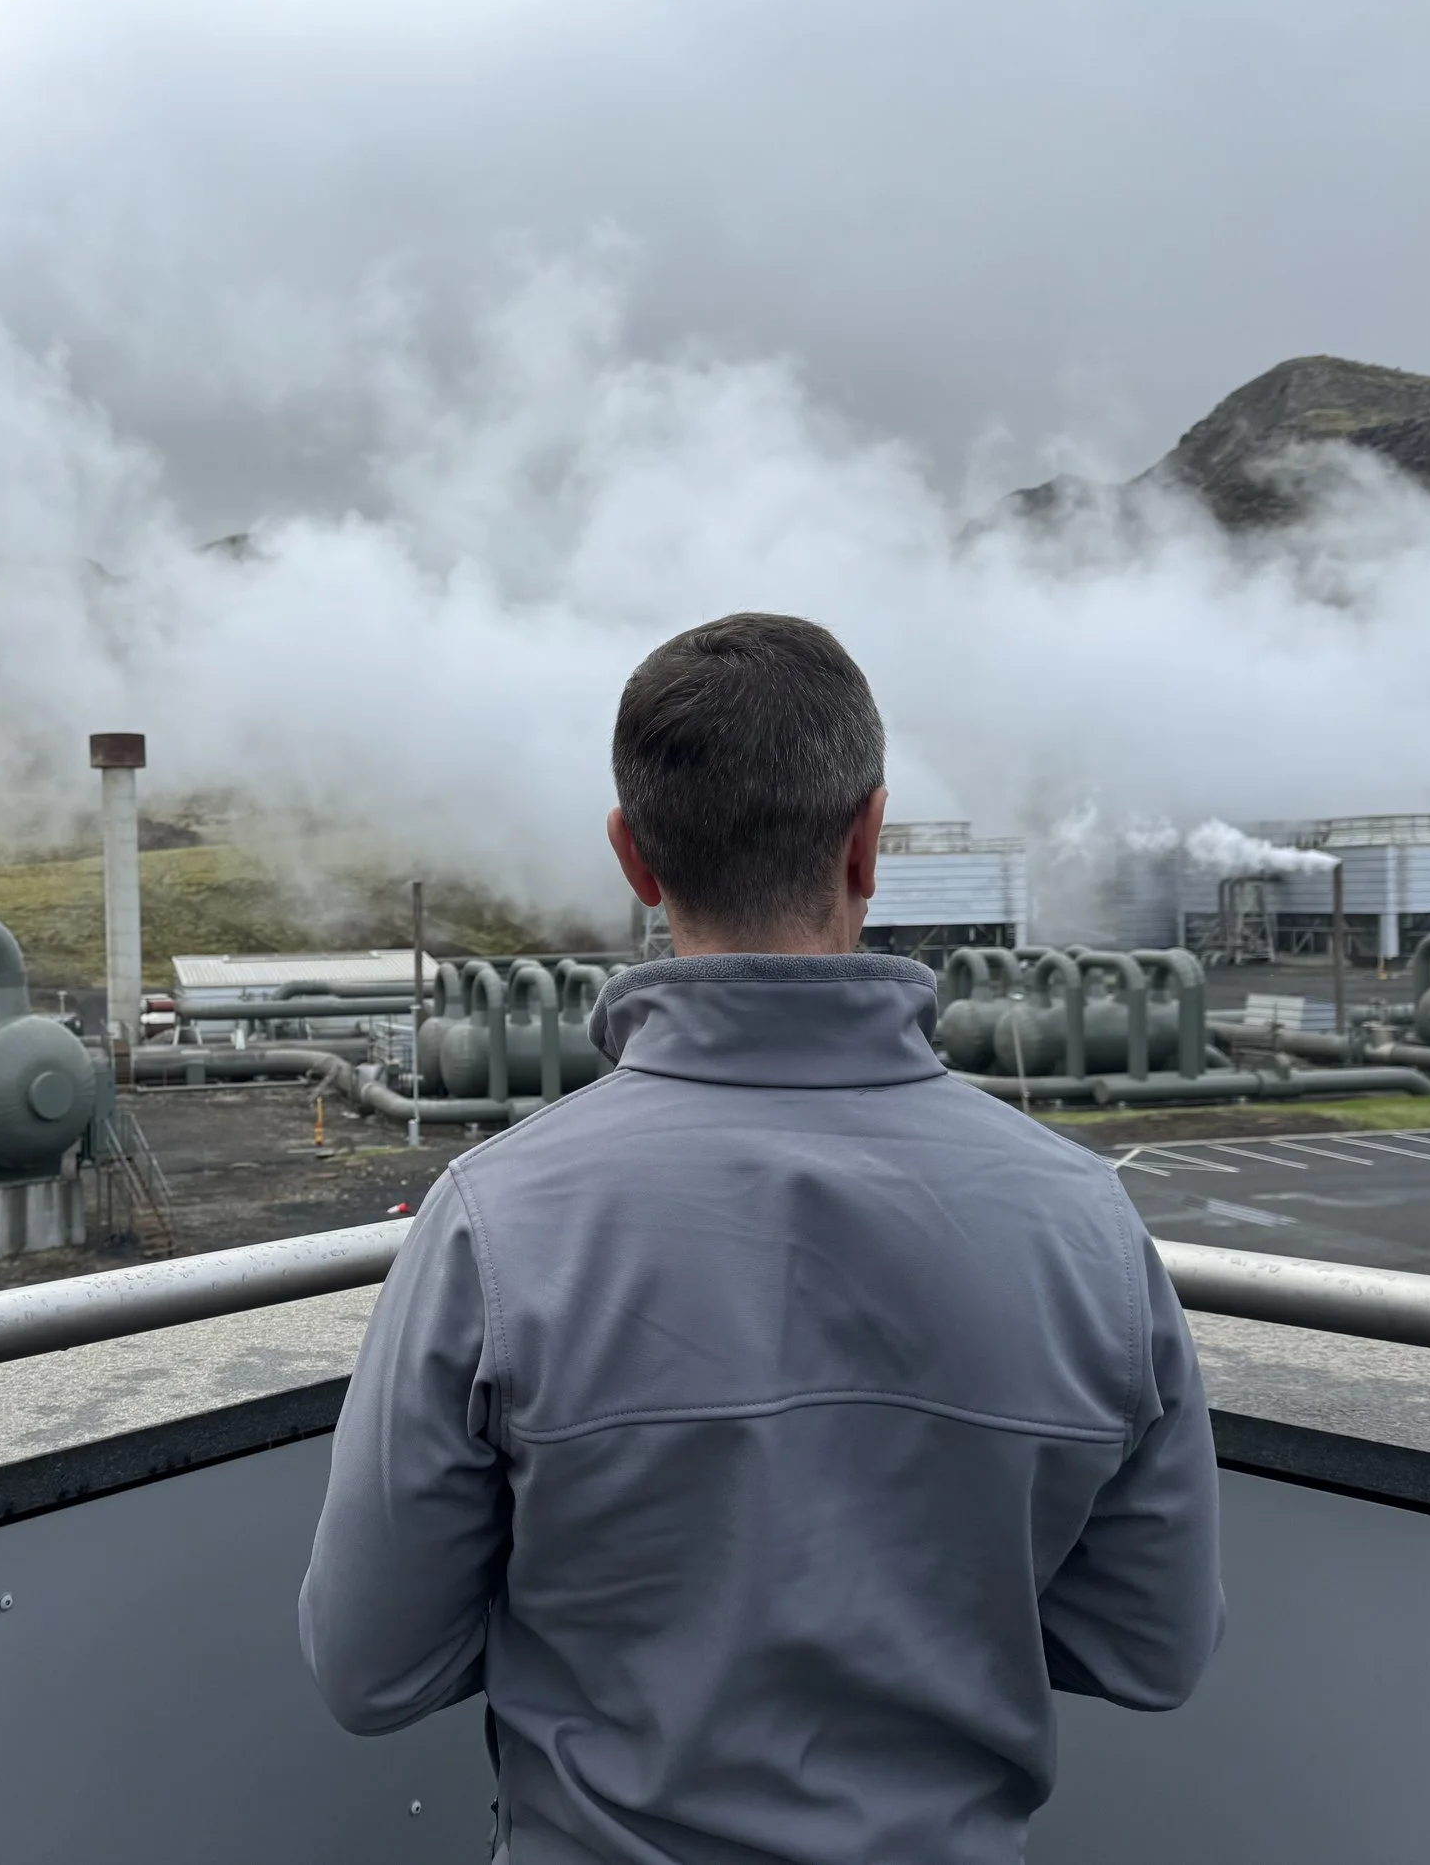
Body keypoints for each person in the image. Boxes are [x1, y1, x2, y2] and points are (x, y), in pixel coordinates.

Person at [298, 613, 1223, 1864]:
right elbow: (1152, 1649)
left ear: (632, 855)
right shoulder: (1082, 1220)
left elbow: (371, 1670)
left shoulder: (493, 1222)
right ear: (868, 841)